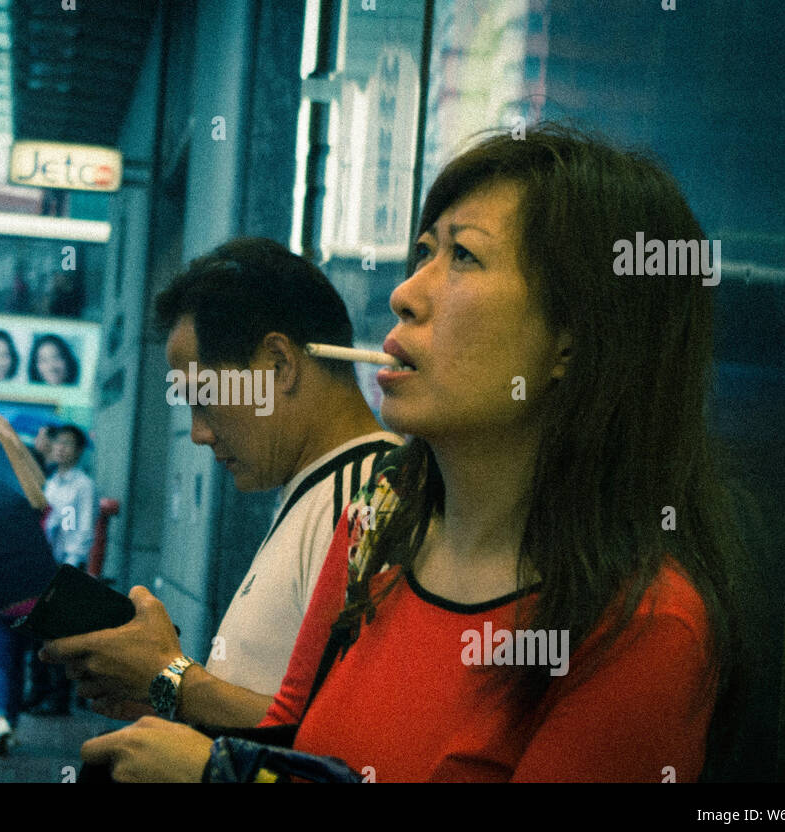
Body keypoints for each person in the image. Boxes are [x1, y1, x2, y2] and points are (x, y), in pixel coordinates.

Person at [77, 124, 744, 782]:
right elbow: (296, 739)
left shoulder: (644, 626)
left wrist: (215, 771)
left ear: (574, 338)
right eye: (423, 252)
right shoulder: (374, 526)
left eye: (463, 257)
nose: (405, 293)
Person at [41, 237, 401, 728]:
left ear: (278, 364)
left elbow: (350, 741)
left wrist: (169, 679)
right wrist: (168, 697)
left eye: (204, 398)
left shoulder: (367, 497)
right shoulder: (323, 489)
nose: (199, 433)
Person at [27, 424, 96, 717]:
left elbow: (84, 527)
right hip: (43, 562)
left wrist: (72, 562)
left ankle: (58, 700)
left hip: (65, 565)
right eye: (57, 443)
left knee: (58, 635)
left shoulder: (83, 485)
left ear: (79, 451)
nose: (60, 448)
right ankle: (38, 692)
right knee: (37, 631)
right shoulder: (50, 482)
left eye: (68, 444)